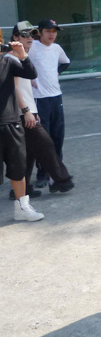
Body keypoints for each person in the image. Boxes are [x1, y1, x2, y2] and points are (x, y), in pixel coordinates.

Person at [9, 22, 74, 199]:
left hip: (29, 110)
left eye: (31, 34)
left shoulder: (22, 57)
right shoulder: (12, 59)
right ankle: (61, 180)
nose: (29, 38)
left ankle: (22, 189)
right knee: (46, 144)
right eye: (24, 35)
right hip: (22, 113)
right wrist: (26, 111)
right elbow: (14, 88)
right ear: (15, 38)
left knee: (28, 153)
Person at [0, 37, 44, 221]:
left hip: (11, 122)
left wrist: (22, 55)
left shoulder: (8, 61)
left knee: (18, 168)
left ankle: (22, 208)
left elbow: (31, 73)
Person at [28, 19, 70, 188]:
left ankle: (58, 173)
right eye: (48, 31)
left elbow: (66, 62)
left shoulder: (57, 48)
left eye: (54, 31)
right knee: (43, 139)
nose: (52, 34)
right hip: (40, 98)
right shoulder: (33, 47)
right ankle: (43, 174)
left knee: (58, 136)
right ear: (40, 32)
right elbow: (21, 62)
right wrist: (28, 77)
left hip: (56, 97)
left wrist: (57, 72)